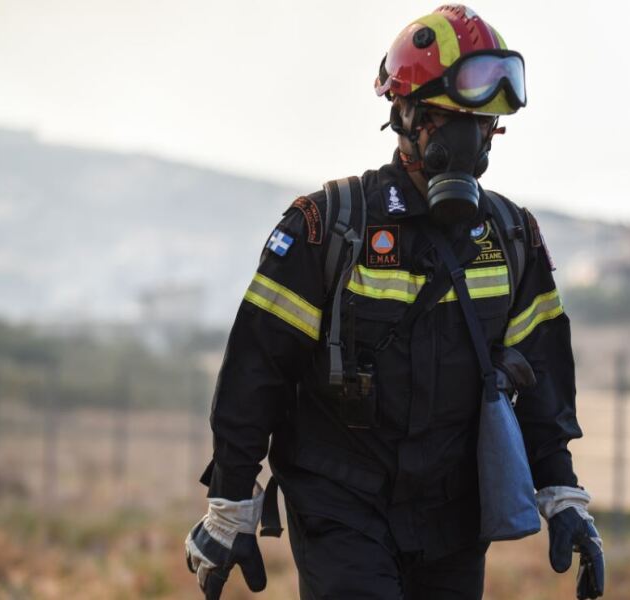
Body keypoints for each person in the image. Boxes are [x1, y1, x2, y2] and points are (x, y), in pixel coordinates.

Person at [184, 5, 604, 599]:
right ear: (404, 113)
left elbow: (542, 382)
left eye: (482, 121)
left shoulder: (512, 238)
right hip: (340, 502)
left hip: (454, 515)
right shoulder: (323, 226)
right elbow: (258, 369)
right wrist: (230, 499)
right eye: (450, 118)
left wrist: (562, 496)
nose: (471, 137)